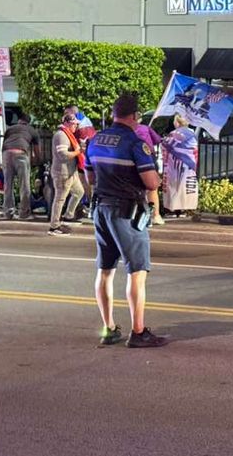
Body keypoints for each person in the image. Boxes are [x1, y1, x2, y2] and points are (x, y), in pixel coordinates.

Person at [85, 92, 166, 348]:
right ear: (134, 116)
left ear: (113, 114)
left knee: (105, 270)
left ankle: (108, 328)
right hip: (127, 213)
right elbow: (151, 182)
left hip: (100, 209)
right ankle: (138, 332)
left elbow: (90, 178)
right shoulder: (135, 143)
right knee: (137, 271)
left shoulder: (95, 140)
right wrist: (158, 176)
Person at [48, 113, 86, 236]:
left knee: (79, 192)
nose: (76, 127)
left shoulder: (67, 135)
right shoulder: (61, 135)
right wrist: (78, 151)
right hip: (63, 172)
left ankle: (68, 216)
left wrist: (78, 150)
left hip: (71, 171)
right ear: (68, 123)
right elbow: (63, 155)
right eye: (75, 124)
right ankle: (54, 226)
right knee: (60, 199)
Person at [2, 115, 42, 220]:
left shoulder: (10, 129)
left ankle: (8, 212)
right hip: (21, 153)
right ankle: (24, 213)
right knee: (24, 185)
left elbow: (4, 143)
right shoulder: (32, 130)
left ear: (19, 121)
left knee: (7, 184)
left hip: (6, 153)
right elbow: (37, 151)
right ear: (28, 122)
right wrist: (38, 161)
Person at [161, 114, 199, 215]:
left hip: (175, 166)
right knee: (187, 186)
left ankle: (174, 209)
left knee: (175, 187)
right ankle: (187, 208)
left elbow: (165, 146)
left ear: (177, 122)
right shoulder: (192, 134)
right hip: (189, 165)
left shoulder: (173, 134)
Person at [135, 122, 165, 225]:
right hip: (149, 157)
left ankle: (141, 215)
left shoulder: (127, 131)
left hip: (133, 158)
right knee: (153, 188)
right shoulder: (145, 128)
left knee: (137, 188)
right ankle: (156, 216)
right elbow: (157, 140)